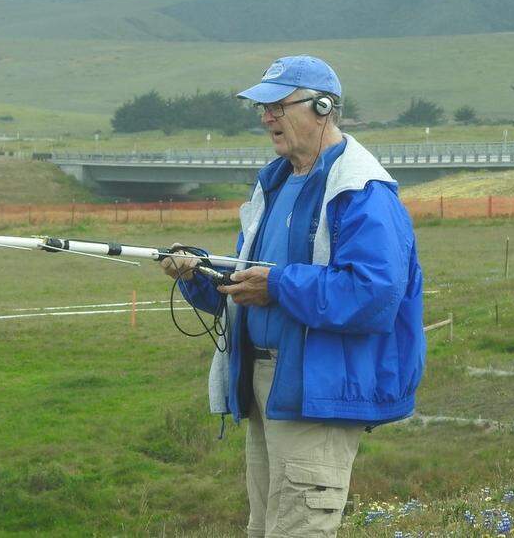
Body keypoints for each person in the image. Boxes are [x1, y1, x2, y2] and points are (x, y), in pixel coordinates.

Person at [160, 55, 425, 538]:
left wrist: (278, 286)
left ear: (323, 107)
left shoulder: (363, 191)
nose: (267, 118)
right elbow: (248, 281)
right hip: (267, 385)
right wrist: (199, 274)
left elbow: (375, 294)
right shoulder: (276, 183)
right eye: (263, 108)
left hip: (316, 391)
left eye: (278, 106)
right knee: (264, 527)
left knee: (299, 528)